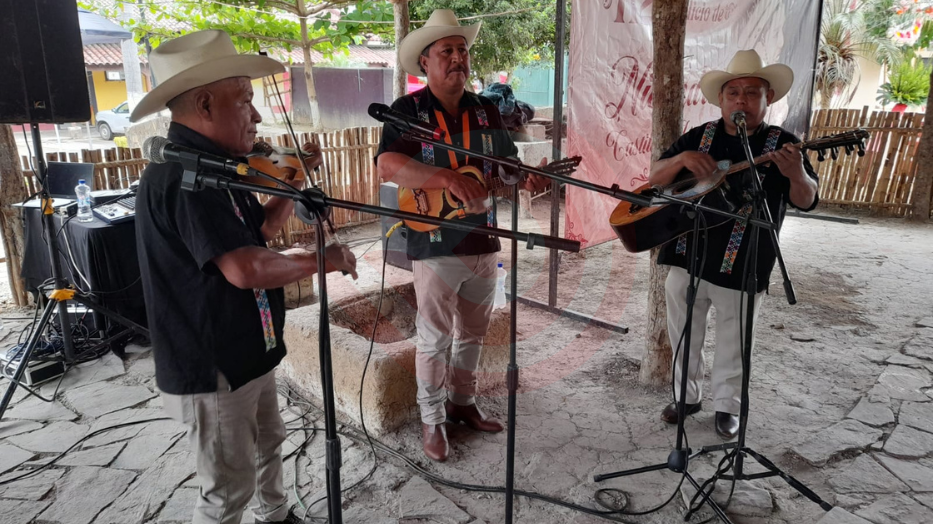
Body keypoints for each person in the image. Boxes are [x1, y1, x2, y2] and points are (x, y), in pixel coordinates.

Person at [131, 30, 357, 524]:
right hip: (212, 362)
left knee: (268, 443)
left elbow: (261, 231)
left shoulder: (219, 168)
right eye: (245, 100)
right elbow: (245, 268)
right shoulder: (183, 178)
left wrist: (292, 179)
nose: (256, 115)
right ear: (205, 104)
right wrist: (322, 259)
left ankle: (274, 515)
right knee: (226, 491)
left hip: (247, 345)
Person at [375, 10, 548, 462]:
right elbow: (388, 165)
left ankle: (462, 404)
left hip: (483, 239)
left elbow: (506, 167)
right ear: (425, 62)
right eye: (446, 51)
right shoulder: (406, 112)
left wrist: (525, 177)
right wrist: (446, 179)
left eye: (462, 50)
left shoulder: (486, 109)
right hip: (434, 242)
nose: (457, 58)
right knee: (434, 338)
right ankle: (432, 420)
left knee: (473, 333)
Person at [651, 50, 819, 439]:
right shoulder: (699, 138)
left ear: (768, 98)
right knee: (683, 332)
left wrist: (797, 174)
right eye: (733, 93)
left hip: (744, 261)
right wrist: (683, 160)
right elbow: (655, 177)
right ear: (721, 99)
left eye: (752, 92)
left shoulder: (783, 144)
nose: (741, 100)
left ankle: (728, 407)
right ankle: (685, 397)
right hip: (688, 255)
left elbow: (807, 199)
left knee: (735, 338)